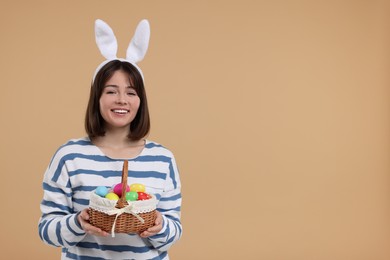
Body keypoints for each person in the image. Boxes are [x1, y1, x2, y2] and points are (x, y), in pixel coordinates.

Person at [38, 19, 182, 260]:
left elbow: (174, 230)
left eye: (131, 92)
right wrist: (77, 223)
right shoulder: (69, 156)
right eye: (111, 91)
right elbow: (46, 230)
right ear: (97, 98)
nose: (121, 100)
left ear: (140, 101)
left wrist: (160, 226)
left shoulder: (163, 159)